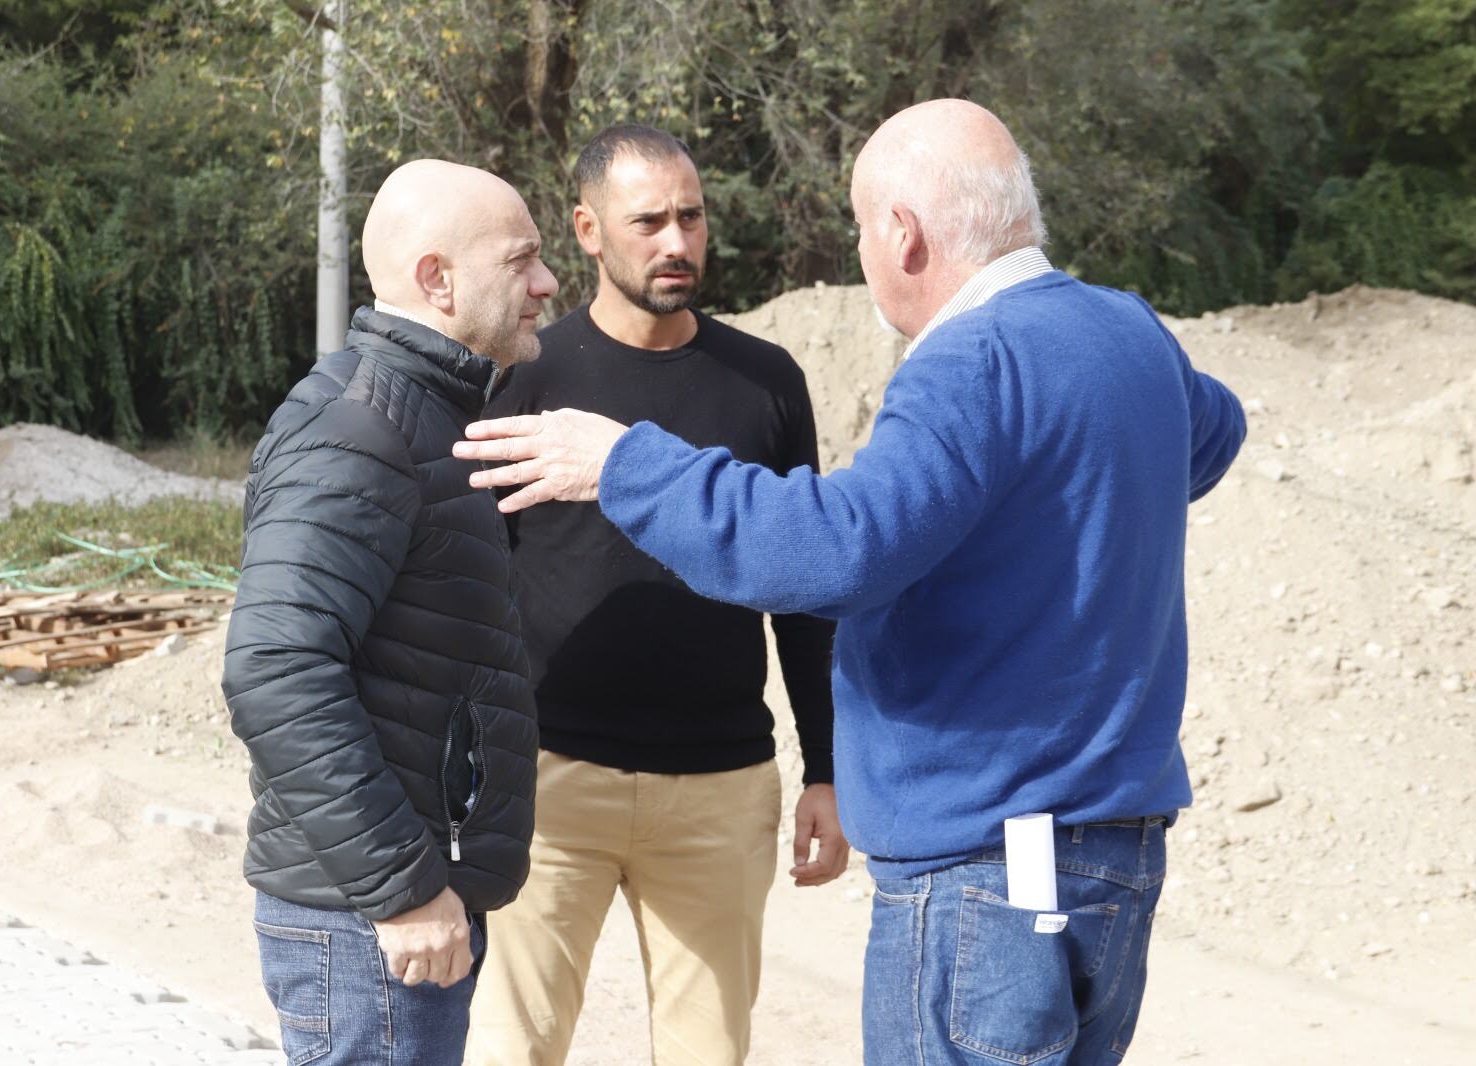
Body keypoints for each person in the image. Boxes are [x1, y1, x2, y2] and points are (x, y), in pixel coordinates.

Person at [453, 99, 1247, 1065]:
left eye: (863, 230)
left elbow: (838, 555)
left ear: (904, 235)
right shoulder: (1126, 332)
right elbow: (1212, 434)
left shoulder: (971, 360)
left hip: (984, 868)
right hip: (1109, 856)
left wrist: (625, 467)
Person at [466, 124, 849, 1066]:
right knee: (513, 1049)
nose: (677, 242)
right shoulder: (524, 376)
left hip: (720, 789)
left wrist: (828, 772)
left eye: (692, 216)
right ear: (589, 232)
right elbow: (470, 583)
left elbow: (802, 591)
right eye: (650, 222)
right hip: (550, 783)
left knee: (708, 1054)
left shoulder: (765, 382)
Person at [221, 159, 557, 1066]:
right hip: (370, 922)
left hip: (388, 909)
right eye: (522, 260)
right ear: (436, 278)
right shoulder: (360, 429)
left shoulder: (424, 415)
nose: (546, 283)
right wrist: (403, 888)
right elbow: (275, 668)